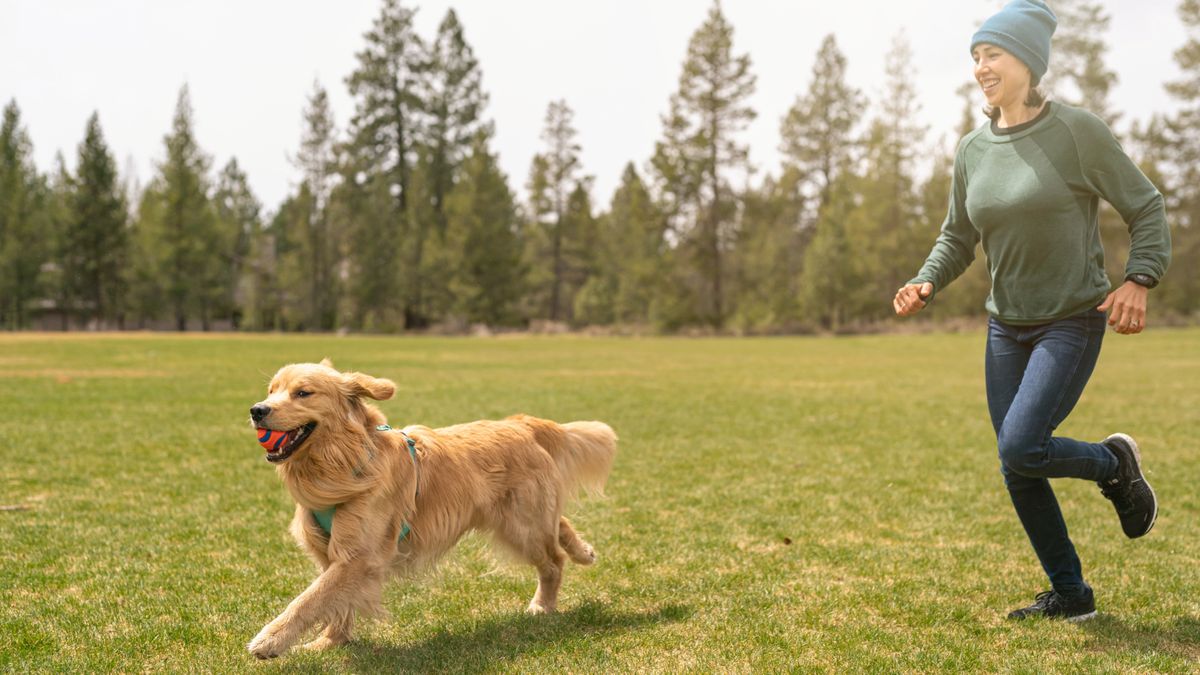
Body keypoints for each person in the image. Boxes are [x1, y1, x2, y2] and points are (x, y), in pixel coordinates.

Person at [894, 0, 1171, 622]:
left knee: (1021, 445)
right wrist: (926, 280)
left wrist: (1140, 278)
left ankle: (1112, 463)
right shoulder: (971, 148)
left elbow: (1146, 206)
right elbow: (957, 236)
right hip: (1005, 327)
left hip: (1069, 319)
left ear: (1027, 61)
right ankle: (1071, 595)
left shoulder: (1075, 131)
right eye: (975, 56)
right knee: (1018, 463)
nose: (980, 67)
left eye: (992, 53)